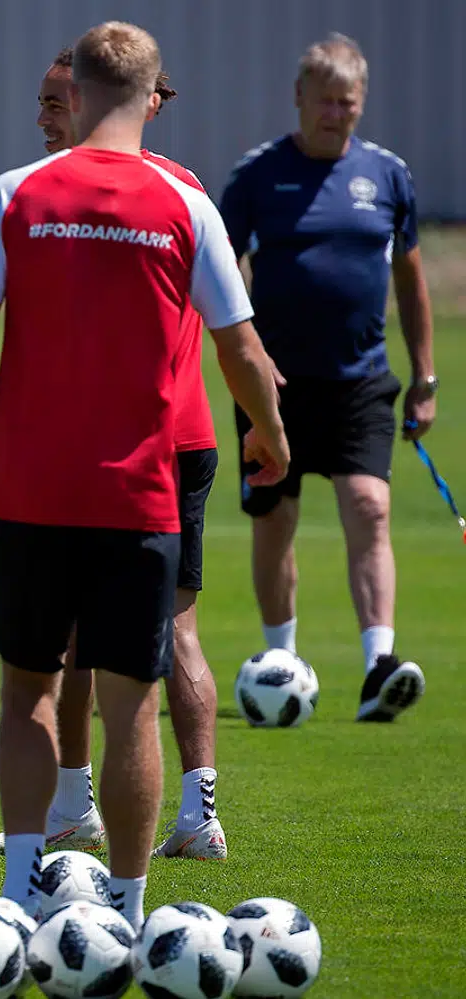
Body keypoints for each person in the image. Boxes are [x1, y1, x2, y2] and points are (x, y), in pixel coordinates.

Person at [0, 22, 287, 928]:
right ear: (152, 97)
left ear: (79, 92)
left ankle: (19, 894)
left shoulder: (19, 192)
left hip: (31, 490)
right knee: (133, 706)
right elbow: (241, 345)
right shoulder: (185, 202)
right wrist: (270, 431)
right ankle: (127, 911)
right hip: (141, 493)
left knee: (28, 692)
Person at [0, 48, 231, 861]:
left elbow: (235, 335)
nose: (48, 118)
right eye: (44, 102)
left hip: (152, 447)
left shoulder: (113, 194)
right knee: (93, 641)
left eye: (59, 102)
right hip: (140, 447)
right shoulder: (150, 193)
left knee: (159, 636)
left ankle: (189, 813)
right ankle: (83, 807)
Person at [220, 33, 435, 722]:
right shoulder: (256, 177)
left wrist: (424, 376)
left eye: (348, 103)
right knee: (275, 521)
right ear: (299, 99)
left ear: (360, 103)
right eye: (324, 102)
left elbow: (411, 276)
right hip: (272, 385)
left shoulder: (388, 175)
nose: (335, 114)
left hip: (362, 380)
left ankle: (379, 666)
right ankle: (281, 657)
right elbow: (221, 274)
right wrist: (245, 358)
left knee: (370, 507)